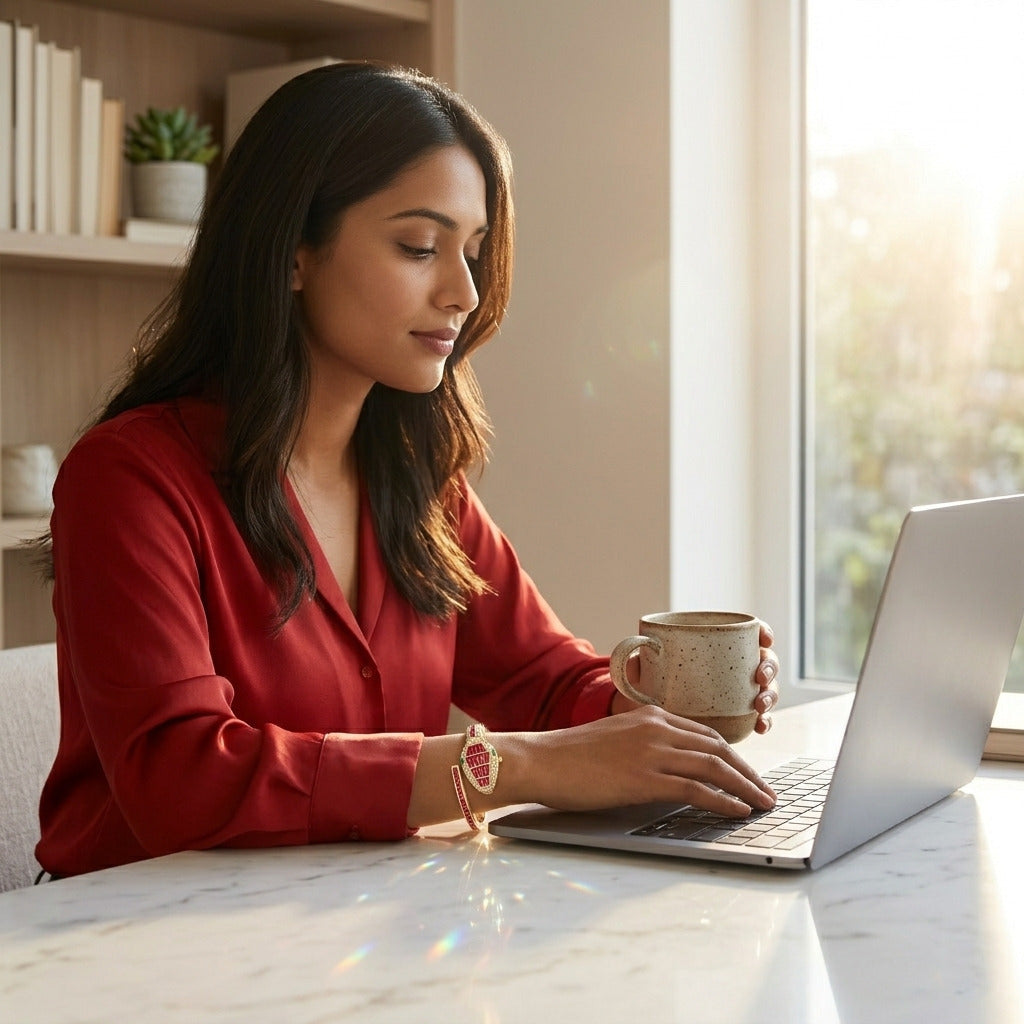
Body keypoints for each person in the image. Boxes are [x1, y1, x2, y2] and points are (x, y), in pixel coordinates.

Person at [35, 62, 779, 878]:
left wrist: (658, 699)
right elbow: (182, 777)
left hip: (359, 930)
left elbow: (542, 678)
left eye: (474, 252)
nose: (463, 291)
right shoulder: (129, 480)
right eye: (419, 246)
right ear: (292, 252)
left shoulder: (418, 481)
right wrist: (510, 768)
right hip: (135, 952)